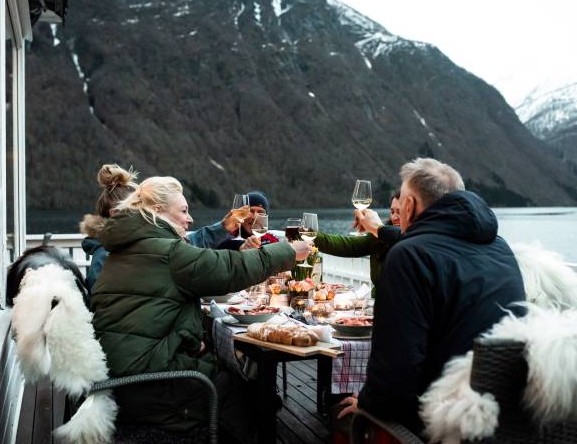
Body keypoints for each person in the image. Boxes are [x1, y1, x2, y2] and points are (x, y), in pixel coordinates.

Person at [90, 176, 312, 442]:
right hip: (151, 386)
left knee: (241, 383)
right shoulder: (166, 251)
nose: (190, 219)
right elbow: (229, 268)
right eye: (183, 211)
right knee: (251, 394)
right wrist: (287, 251)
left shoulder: (126, 249)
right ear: (158, 212)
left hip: (120, 378)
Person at [337, 158, 526, 434]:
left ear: (410, 206)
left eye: (400, 202)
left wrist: (366, 402)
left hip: (444, 421)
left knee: (339, 415)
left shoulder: (409, 256)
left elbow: (393, 381)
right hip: (507, 414)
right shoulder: (499, 246)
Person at [80, 164, 241, 290]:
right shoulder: (105, 258)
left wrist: (222, 228)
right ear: (117, 214)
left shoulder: (137, 244)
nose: (149, 216)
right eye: (142, 210)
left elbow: (187, 244)